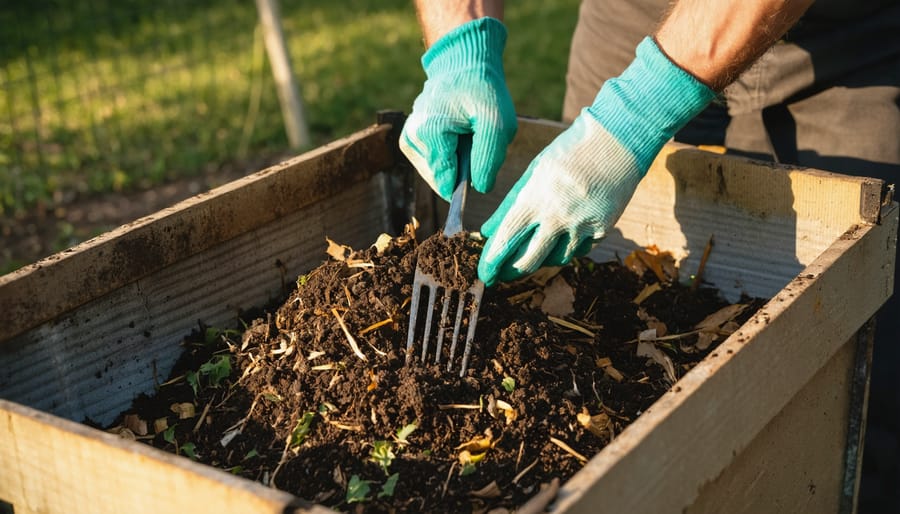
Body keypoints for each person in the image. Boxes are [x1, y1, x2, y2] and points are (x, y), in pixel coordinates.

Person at [399, 0, 899, 510]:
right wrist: (461, 43)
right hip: (632, 16)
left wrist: (637, 110)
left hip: (846, 50)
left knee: (857, 384)